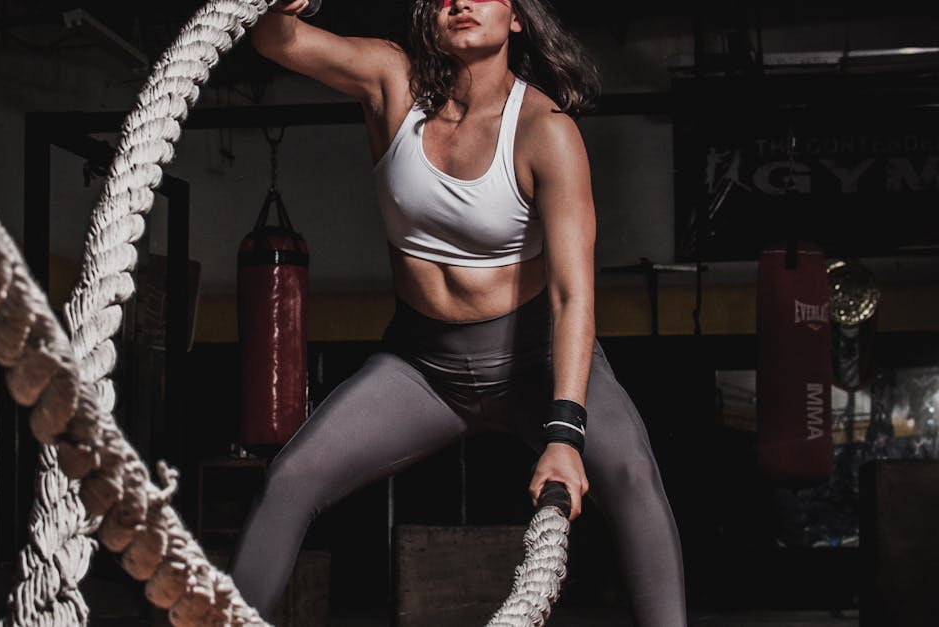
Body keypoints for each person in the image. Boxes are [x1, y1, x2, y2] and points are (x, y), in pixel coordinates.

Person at [228, 1, 688, 625]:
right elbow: (277, 40)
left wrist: (564, 434)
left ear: (517, 18)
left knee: (634, 478)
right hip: (421, 369)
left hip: (534, 362)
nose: (461, 1)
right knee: (290, 476)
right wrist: (278, 6)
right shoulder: (391, 80)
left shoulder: (544, 130)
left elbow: (572, 294)